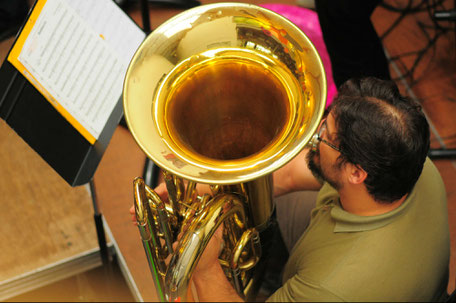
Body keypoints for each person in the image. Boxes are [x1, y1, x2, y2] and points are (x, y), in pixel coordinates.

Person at [131, 77, 450, 301]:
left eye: (325, 134)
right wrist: (208, 188)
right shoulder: (408, 163)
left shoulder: (330, 288)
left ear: (356, 172)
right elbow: (290, 175)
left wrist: (204, 268)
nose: (314, 136)